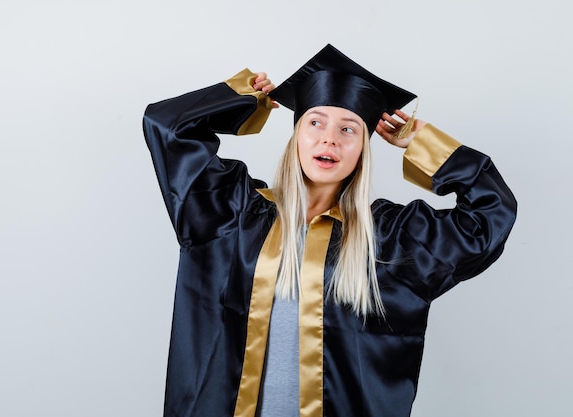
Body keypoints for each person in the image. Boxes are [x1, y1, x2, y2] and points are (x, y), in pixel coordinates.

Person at [142, 44, 516, 417]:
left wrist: (423, 143)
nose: (329, 139)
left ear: (362, 149)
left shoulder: (390, 238)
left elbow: (490, 216)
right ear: (297, 134)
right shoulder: (233, 212)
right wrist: (243, 99)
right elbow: (167, 126)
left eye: (348, 129)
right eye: (315, 122)